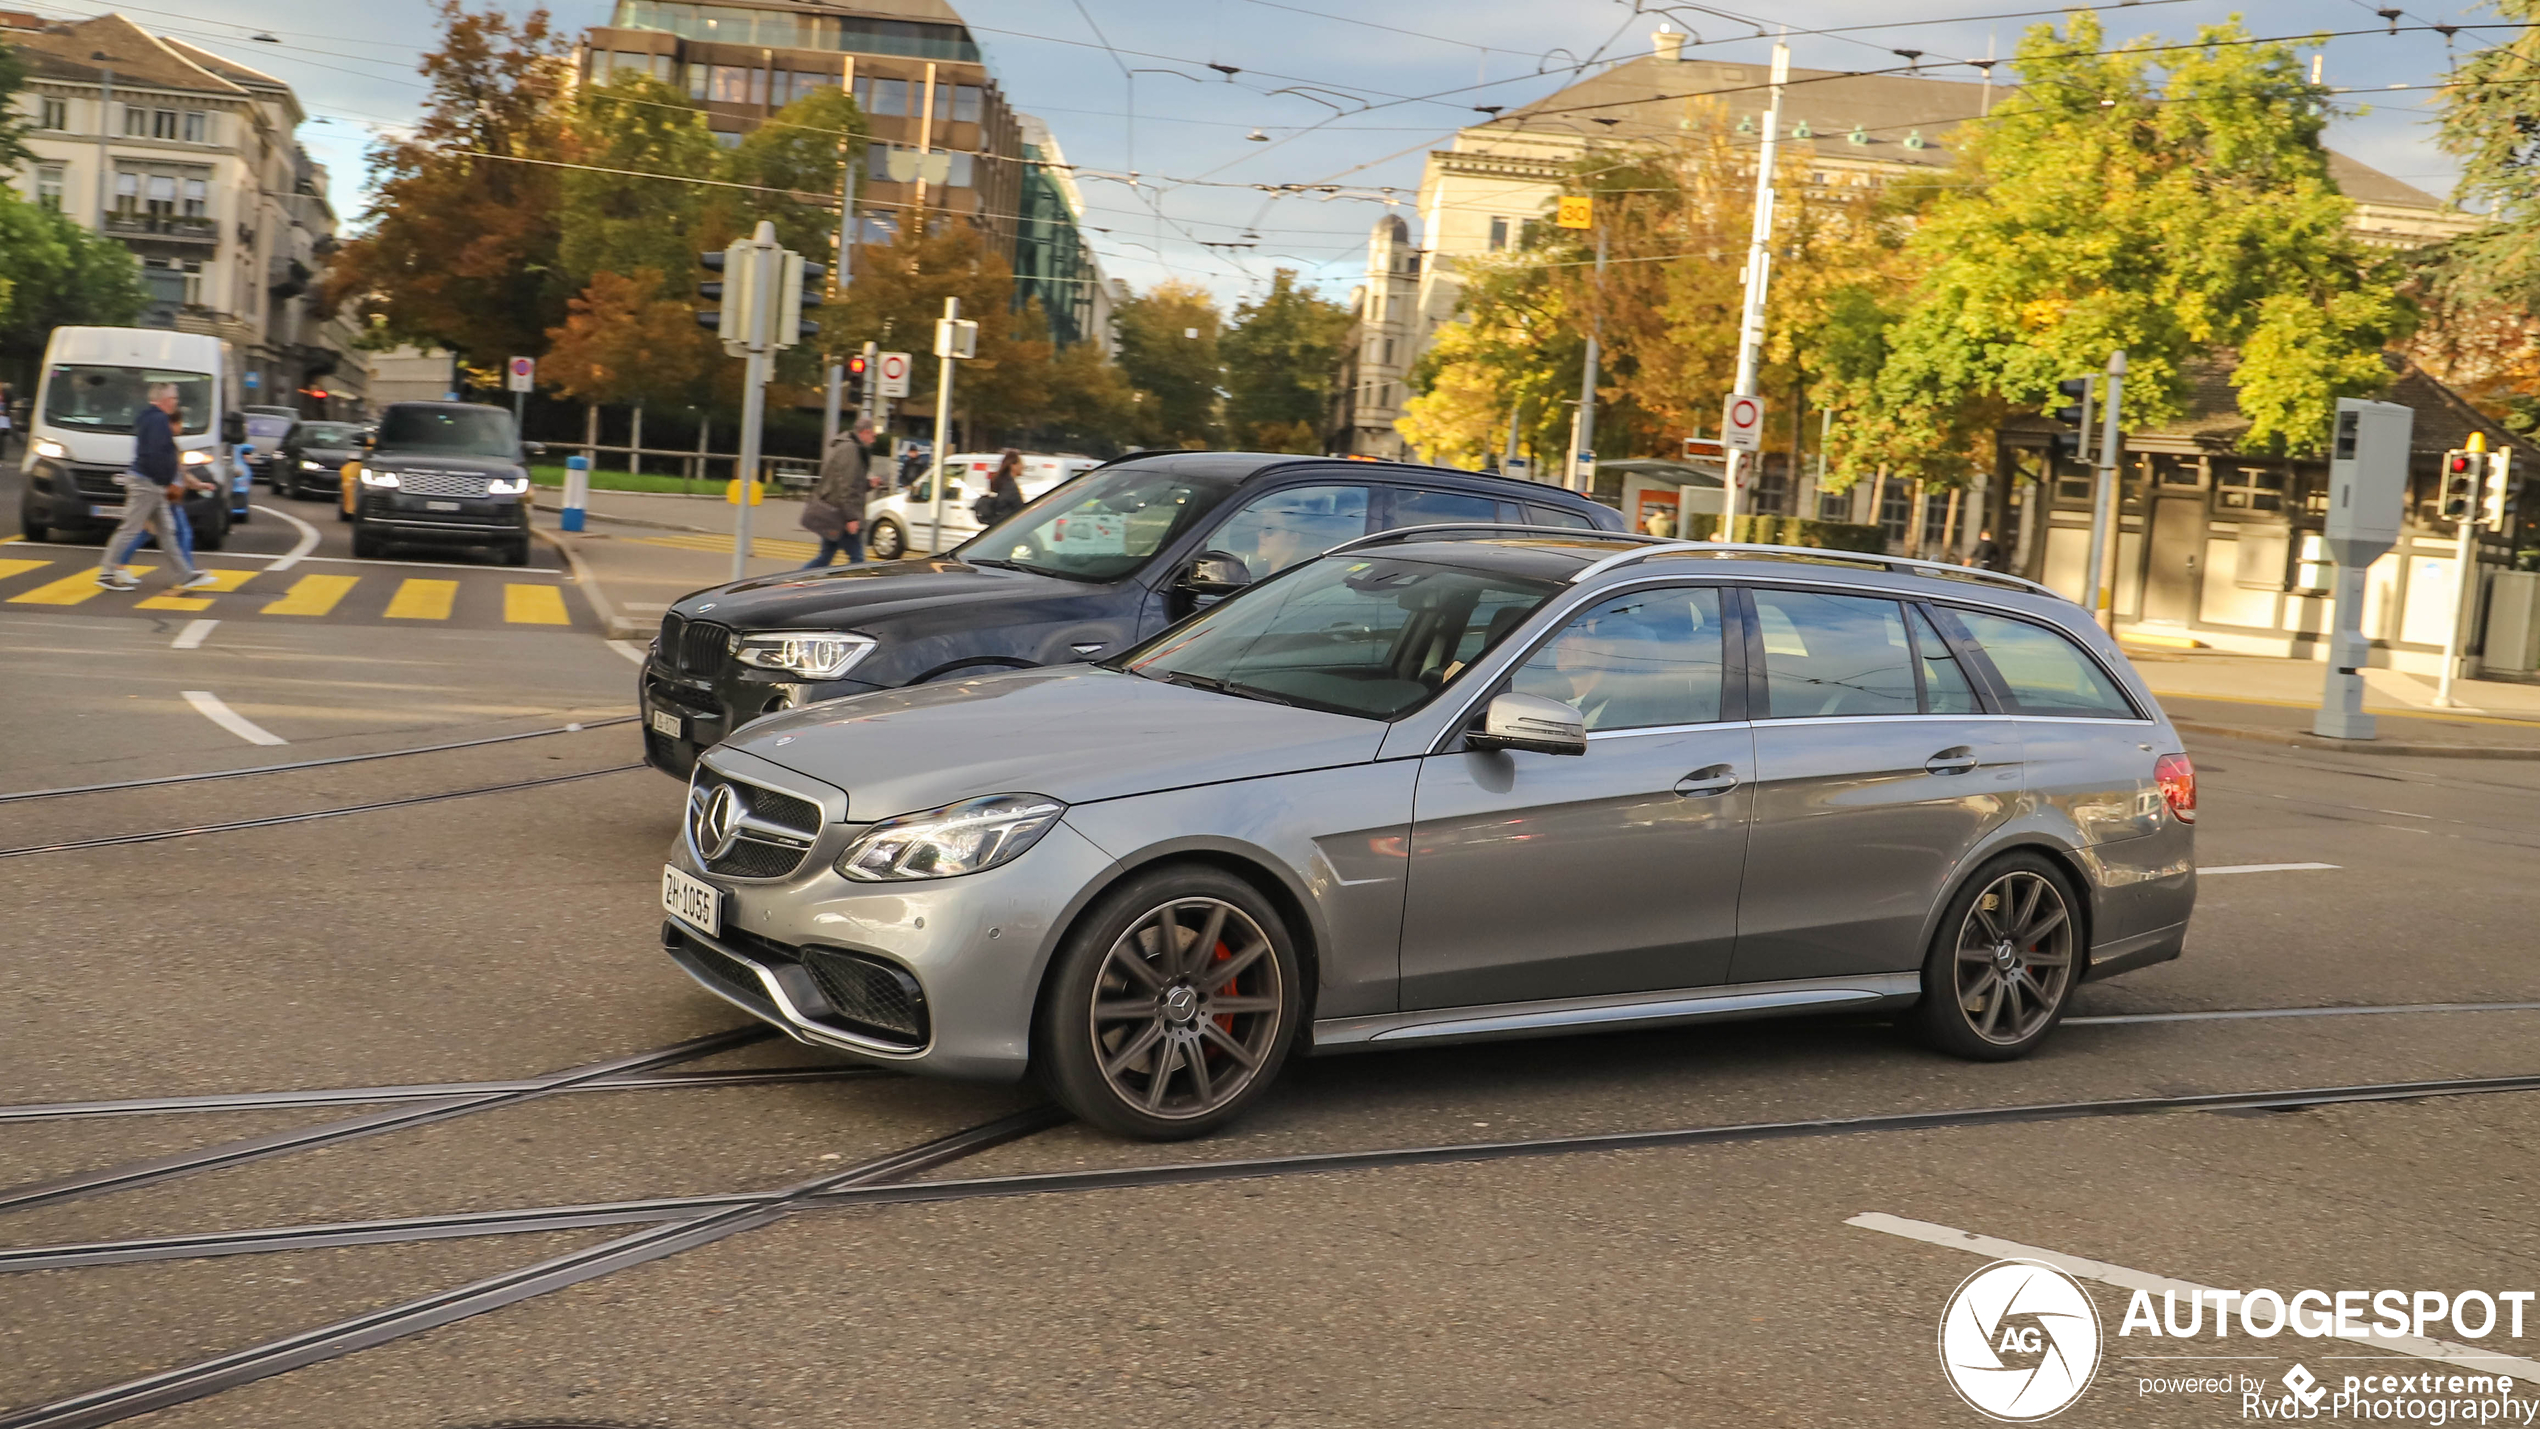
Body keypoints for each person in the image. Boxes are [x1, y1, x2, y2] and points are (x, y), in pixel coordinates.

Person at [96, 383, 216, 592]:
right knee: (130, 529)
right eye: (174, 399)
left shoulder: (148, 417)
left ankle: (186, 575)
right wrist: (163, 476)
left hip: (153, 484)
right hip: (147, 484)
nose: (176, 403)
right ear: (164, 400)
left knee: (167, 531)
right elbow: (155, 454)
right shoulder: (159, 419)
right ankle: (106, 573)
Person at [801, 417, 876, 568]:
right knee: (857, 560)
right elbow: (846, 485)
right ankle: (853, 590)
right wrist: (851, 518)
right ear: (866, 432)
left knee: (825, 557)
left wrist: (868, 484)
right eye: (873, 436)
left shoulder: (846, 447)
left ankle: (796, 582)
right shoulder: (850, 450)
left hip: (835, 513)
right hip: (841, 517)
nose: (873, 440)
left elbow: (846, 481)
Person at [972, 448, 1027, 530]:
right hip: (1008, 527)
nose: (1023, 466)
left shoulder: (1001, 482)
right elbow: (1019, 510)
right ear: (1013, 466)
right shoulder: (1010, 486)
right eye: (1021, 463)